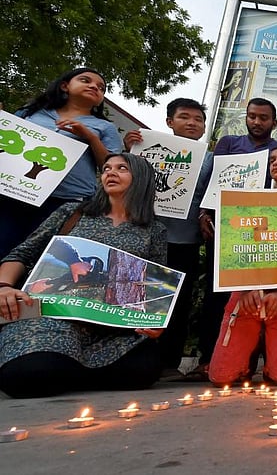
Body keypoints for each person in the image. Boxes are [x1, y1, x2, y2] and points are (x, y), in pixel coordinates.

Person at [0, 153, 166, 398]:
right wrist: (4, 286)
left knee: (145, 369)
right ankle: (56, 369)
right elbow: (23, 253)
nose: (111, 172)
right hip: (54, 316)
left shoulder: (154, 230)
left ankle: (61, 372)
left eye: (122, 168)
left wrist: (154, 322)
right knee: (25, 374)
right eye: (107, 168)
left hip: (111, 328)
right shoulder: (73, 212)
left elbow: (154, 284)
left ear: (141, 178)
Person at [207, 144, 277, 386]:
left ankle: (273, 361)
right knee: (221, 378)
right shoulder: (250, 199)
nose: (275, 163)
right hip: (246, 288)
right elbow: (235, 245)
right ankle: (242, 362)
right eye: (272, 160)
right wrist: (246, 289)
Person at [123, 98, 213, 379]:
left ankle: (170, 361)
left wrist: (205, 216)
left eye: (198, 119)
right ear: (169, 122)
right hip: (144, 236)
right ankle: (129, 354)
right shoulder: (142, 150)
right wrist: (130, 151)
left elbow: (211, 196)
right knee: (139, 296)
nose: (191, 123)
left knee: (179, 300)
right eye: (184, 117)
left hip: (185, 239)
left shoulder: (210, 158)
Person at [192, 98, 277, 381]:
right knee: (217, 292)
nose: (257, 122)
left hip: (260, 230)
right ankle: (208, 358)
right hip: (224, 225)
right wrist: (204, 212)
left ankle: (251, 361)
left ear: (273, 122)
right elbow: (214, 180)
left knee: (256, 296)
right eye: (252, 116)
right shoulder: (229, 143)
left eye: (263, 118)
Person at [0, 68, 123, 260]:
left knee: (40, 258)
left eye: (101, 88)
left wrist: (90, 138)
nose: (94, 87)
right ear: (65, 85)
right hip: (13, 192)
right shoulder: (31, 112)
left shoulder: (105, 127)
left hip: (65, 201)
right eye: (85, 80)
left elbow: (110, 165)